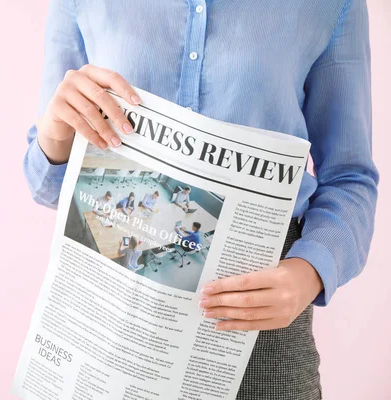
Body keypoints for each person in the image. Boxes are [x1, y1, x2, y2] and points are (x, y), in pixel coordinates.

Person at [23, 1, 379, 398]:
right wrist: (55, 134)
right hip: (110, 316)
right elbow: (48, 185)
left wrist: (310, 271)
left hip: (259, 322)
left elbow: (350, 177)